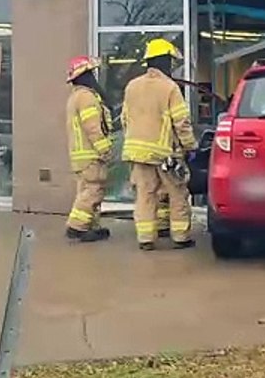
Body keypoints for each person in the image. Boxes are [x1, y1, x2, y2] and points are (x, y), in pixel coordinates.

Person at [121, 38, 197, 250]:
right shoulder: (170, 88)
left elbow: (125, 119)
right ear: (165, 61)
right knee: (177, 193)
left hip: (138, 152)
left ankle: (145, 239)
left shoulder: (132, 86)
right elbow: (181, 122)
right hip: (166, 153)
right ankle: (181, 237)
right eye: (171, 62)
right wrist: (190, 146)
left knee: (145, 194)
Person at [64, 55, 114, 242]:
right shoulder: (86, 97)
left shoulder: (75, 96)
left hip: (80, 156)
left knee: (85, 190)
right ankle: (77, 226)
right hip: (90, 155)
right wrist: (105, 150)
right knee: (94, 190)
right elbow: (93, 127)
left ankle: (89, 226)